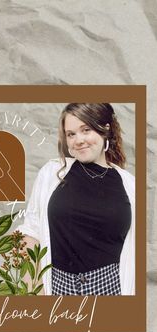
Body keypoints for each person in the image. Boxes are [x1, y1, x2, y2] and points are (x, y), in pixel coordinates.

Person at [16, 103, 135, 296]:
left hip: (110, 288)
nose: (78, 140)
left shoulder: (130, 185)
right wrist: (35, 292)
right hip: (57, 287)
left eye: (85, 130)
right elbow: (30, 232)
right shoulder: (52, 173)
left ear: (105, 129)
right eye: (71, 134)